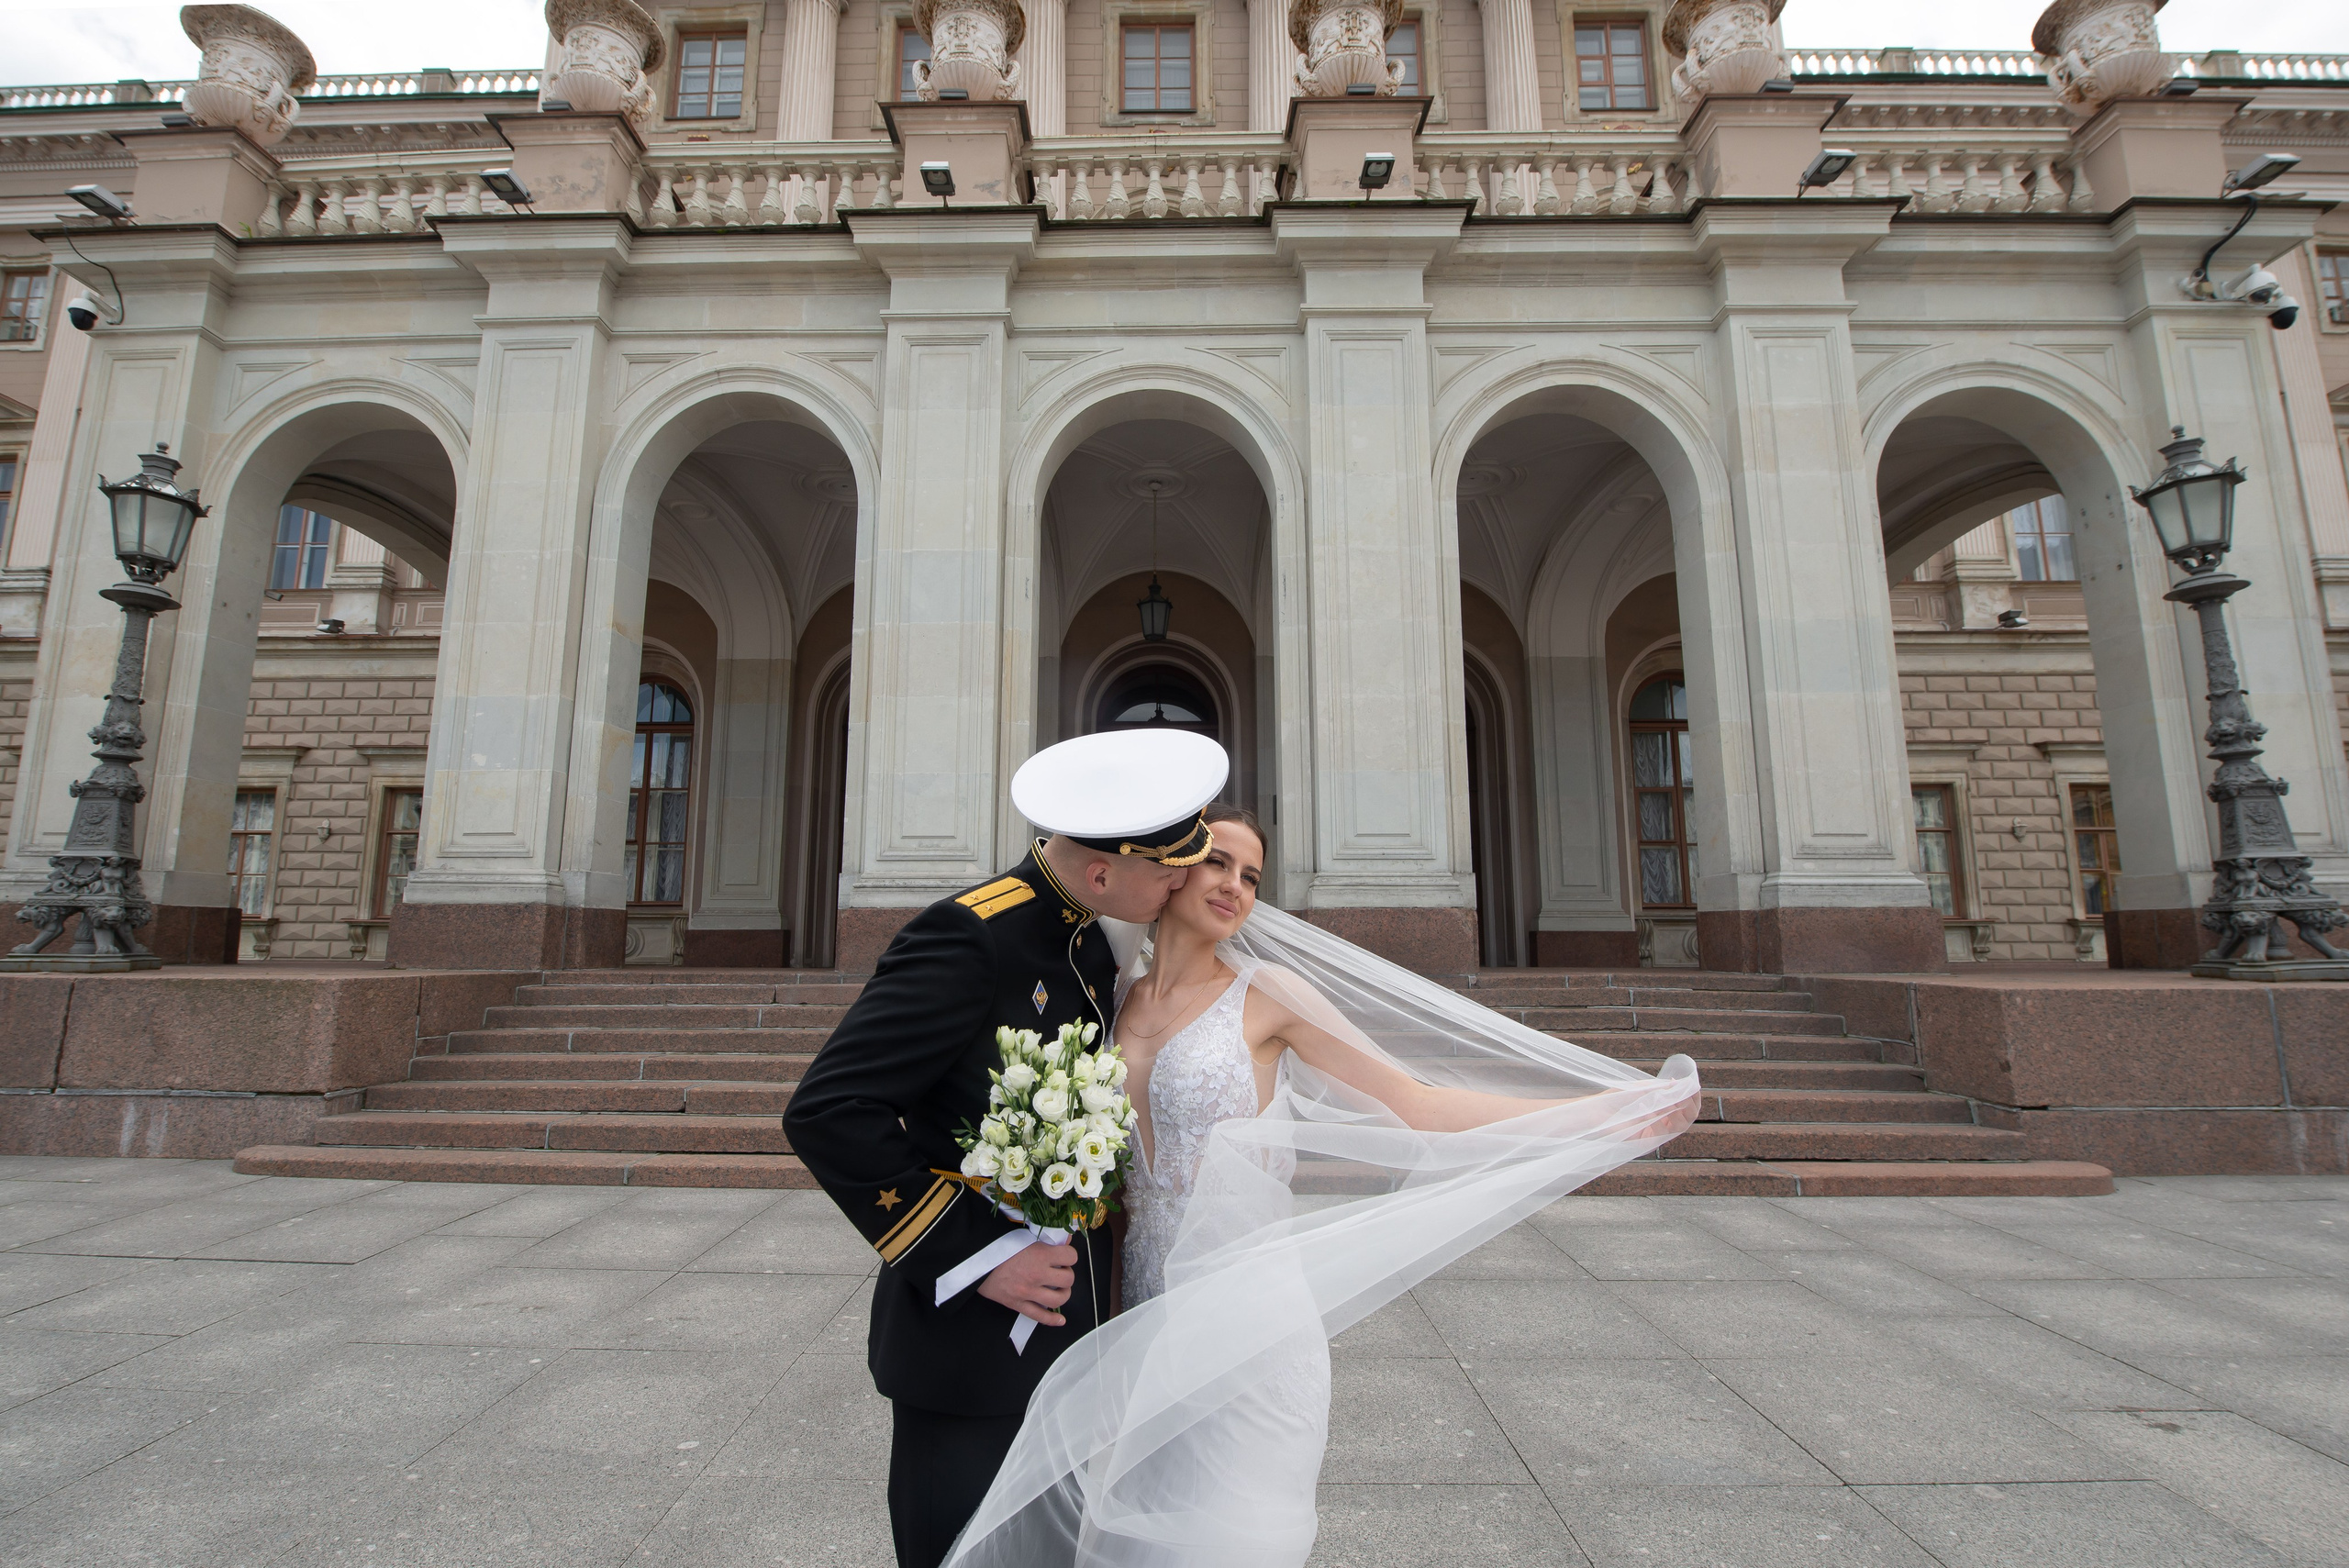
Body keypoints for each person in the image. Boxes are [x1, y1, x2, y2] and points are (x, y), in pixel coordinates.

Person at [941, 804, 1703, 1568]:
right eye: (1218, 864)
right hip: (1140, 1315)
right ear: (1172, 872)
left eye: (1251, 877)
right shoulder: (1111, 1000)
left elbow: (1419, 1105)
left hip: (1249, 1312)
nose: (1236, 886)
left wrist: (1603, 1115)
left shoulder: (1270, 992)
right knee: (1136, 1539)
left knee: (1231, 1538)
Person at [782, 728, 1230, 1568]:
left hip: (1078, 1332)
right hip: (973, 1344)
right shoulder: (969, 937)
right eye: (1168, 869)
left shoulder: (1093, 941)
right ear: (1102, 873)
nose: (1183, 882)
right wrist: (981, 1255)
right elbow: (830, 1109)